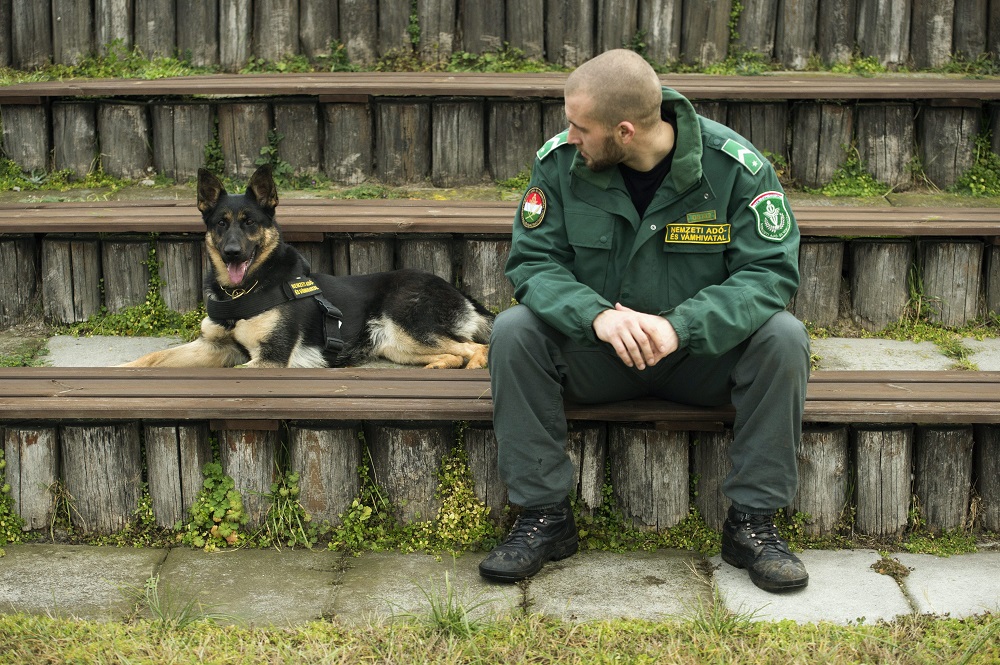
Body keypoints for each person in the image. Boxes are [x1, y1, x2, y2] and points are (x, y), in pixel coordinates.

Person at [478, 49, 810, 593]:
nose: (571, 136)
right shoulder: (561, 163)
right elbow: (533, 262)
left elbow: (769, 273)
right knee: (514, 331)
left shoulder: (733, 168)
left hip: (699, 359)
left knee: (784, 337)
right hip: (598, 356)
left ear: (625, 131)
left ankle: (753, 523)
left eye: (580, 127)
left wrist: (683, 326)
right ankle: (544, 517)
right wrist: (596, 317)